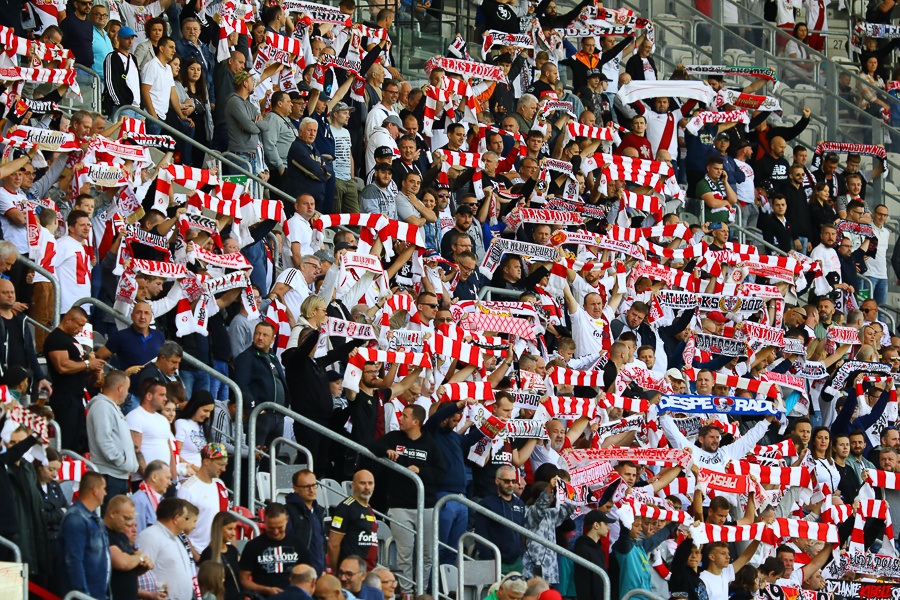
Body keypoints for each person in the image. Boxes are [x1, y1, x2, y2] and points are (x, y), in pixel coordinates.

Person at [372, 404, 445, 593]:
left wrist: (421, 471)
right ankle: (407, 593)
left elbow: (441, 472)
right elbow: (372, 445)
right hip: (399, 506)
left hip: (426, 507)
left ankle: (421, 591)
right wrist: (385, 451)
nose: (401, 419)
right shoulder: (394, 438)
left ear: (416, 422)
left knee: (427, 554)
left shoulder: (430, 443)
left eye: (405, 416)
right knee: (405, 554)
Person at [45, 307, 104, 453]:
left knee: (80, 439)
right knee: (68, 440)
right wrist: (88, 364)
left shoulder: (71, 340)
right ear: (68, 319)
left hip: (77, 395)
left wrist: (91, 370)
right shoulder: (56, 338)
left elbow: (76, 368)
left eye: (83, 326)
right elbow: (62, 366)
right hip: (65, 397)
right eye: (79, 324)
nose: (80, 329)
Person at [86, 370, 139, 501]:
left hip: (117, 475)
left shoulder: (110, 407)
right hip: (109, 476)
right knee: (109, 518)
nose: (127, 394)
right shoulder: (102, 406)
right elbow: (103, 439)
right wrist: (122, 461)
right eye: (127, 389)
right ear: (120, 388)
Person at [233, 321, 288, 448]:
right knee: (255, 459)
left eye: (265, 335)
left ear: (272, 339)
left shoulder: (272, 356)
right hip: (260, 416)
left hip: (277, 416)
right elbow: (241, 386)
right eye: (257, 333)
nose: (260, 337)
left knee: (271, 462)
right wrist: (256, 408)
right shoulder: (246, 357)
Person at [239, 503, 313, 596]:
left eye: (279, 527)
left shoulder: (298, 544)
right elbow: (243, 580)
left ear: (287, 520)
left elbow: (308, 575)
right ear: (264, 521)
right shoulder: (253, 546)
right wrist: (266, 590)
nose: (275, 532)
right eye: (271, 528)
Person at [58, 471, 109, 599]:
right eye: (104, 489)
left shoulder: (94, 519)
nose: (106, 493)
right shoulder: (75, 519)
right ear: (95, 490)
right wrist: (82, 595)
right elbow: (74, 561)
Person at [137, 498, 198, 600]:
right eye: (185, 518)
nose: (186, 522)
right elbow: (142, 576)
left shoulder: (176, 538)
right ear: (176, 519)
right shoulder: (150, 536)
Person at [178, 443, 229, 554]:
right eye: (220, 464)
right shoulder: (188, 489)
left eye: (225, 465)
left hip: (221, 552)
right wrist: (196, 557)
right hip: (199, 553)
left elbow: (227, 520)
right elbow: (180, 529)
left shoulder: (220, 484)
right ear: (206, 461)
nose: (224, 469)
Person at [328, 470, 379, 571]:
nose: (367, 487)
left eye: (370, 483)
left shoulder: (368, 508)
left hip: (367, 570)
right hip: (350, 572)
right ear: (353, 485)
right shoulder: (345, 507)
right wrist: (336, 571)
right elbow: (333, 544)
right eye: (362, 483)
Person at [106, 494, 154, 600]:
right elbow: (122, 563)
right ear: (113, 513)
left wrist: (143, 567)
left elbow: (128, 570)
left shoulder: (121, 535)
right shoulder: (104, 533)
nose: (128, 522)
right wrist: (139, 557)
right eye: (126, 518)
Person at [284, 469, 327, 575]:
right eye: (306, 487)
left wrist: (324, 569)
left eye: (314, 485)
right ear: (295, 489)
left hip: (319, 573)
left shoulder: (318, 512)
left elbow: (321, 545)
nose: (311, 490)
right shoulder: (287, 512)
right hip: (300, 574)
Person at [572, 509, 616, 600]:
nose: (608, 528)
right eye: (606, 524)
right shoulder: (582, 550)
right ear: (596, 525)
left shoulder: (598, 549)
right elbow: (583, 584)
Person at [140, 36, 178, 134]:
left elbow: (172, 93)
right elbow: (145, 91)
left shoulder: (169, 68)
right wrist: (153, 115)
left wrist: (182, 116)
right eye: (171, 47)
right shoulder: (152, 65)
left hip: (162, 116)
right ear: (161, 48)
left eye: (174, 48)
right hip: (153, 116)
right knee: (152, 149)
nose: (174, 51)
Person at [175, 391, 217, 470]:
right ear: (195, 406)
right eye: (205, 410)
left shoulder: (201, 426)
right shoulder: (181, 423)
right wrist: (197, 470)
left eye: (210, 412)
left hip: (198, 474)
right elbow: (176, 455)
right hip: (185, 474)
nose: (208, 415)